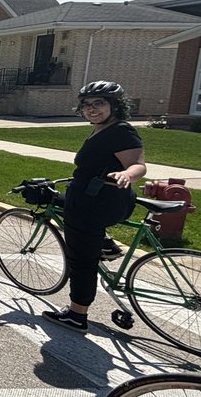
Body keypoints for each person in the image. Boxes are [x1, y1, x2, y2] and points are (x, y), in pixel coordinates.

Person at [43, 81, 146, 332]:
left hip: (96, 204)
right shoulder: (104, 128)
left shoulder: (121, 131)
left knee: (81, 260)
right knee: (76, 223)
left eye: (99, 103)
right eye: (87, 105)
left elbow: (139, 165)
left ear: (115, 105)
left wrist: (127, 175)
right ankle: (104, 244)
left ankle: (77, 315)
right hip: (95, 199)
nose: (92, 109)